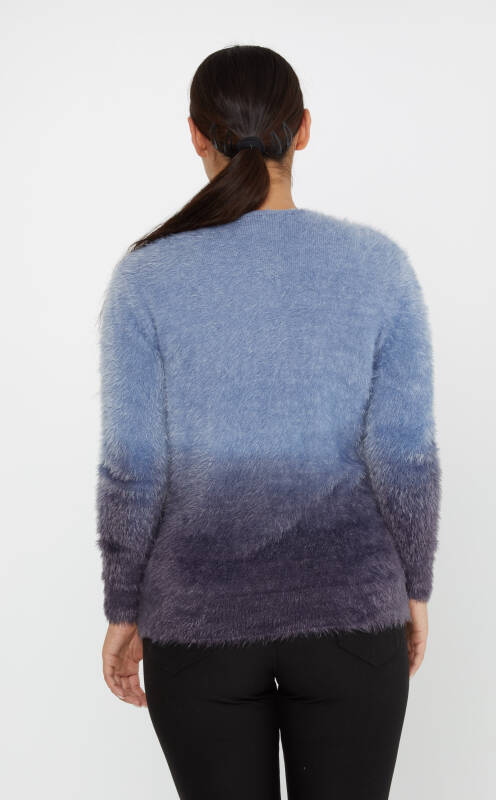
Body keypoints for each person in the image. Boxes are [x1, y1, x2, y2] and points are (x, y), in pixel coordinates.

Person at [96, 44, 441, 800]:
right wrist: (413, 587)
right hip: (351, 616)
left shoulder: (145, 278)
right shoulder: (378, 266)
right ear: (303, 129)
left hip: (196, 624)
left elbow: (132, 469)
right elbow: (405, 456)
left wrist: (124, 607)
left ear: (196, 134)